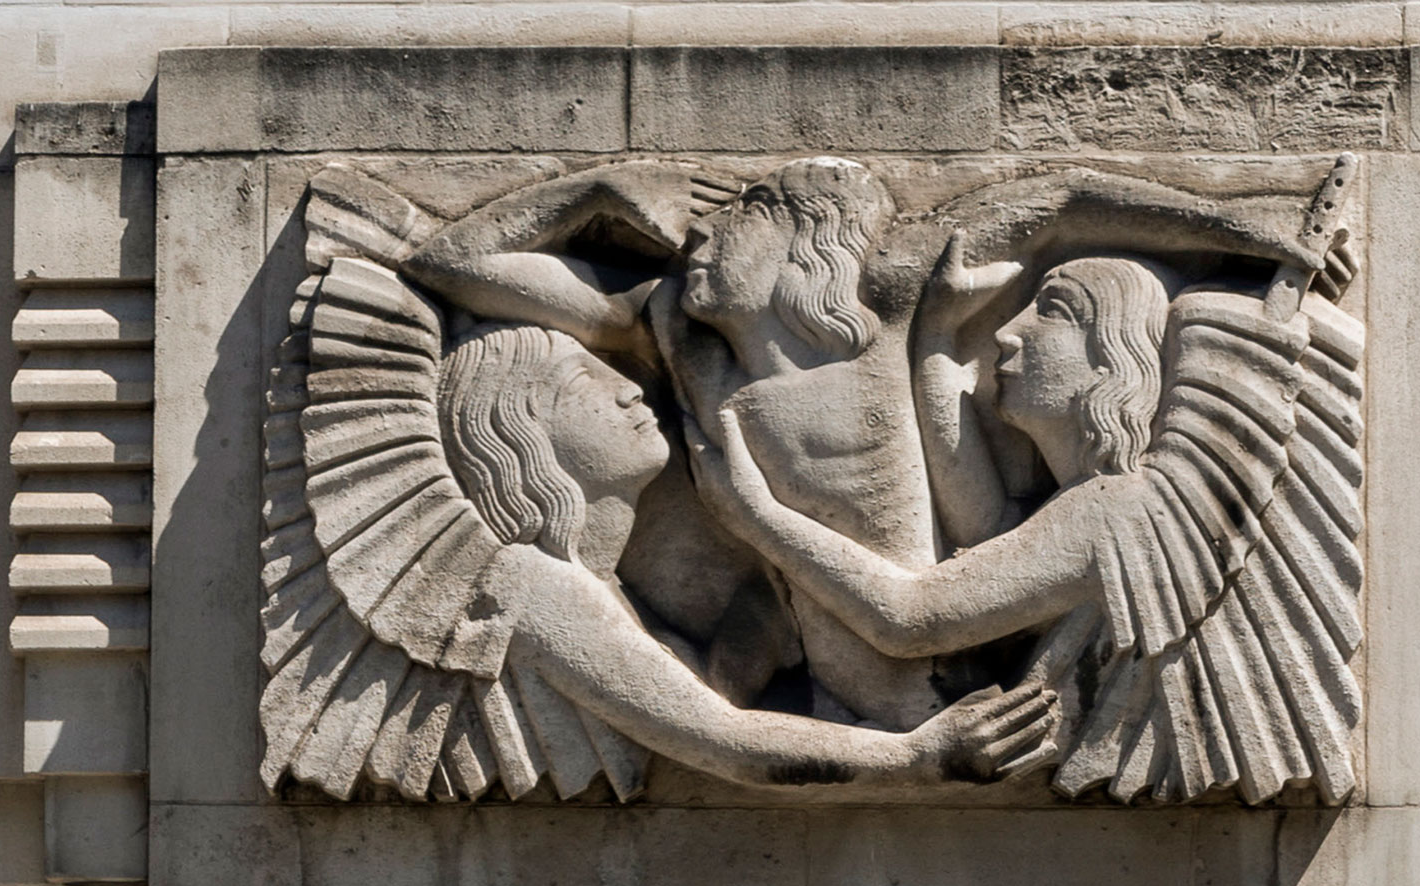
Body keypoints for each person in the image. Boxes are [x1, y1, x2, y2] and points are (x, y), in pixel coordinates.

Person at [263, 254, 1061, 799]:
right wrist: (917, 755)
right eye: (583, 377)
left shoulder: (597, 585)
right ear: (519, 432)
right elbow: (724, 738)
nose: (625, 386)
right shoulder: (530, 585)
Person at [686, 251, 1365, 805]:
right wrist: (933, 344)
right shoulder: (1095, 508)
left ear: (1113, 360)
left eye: (1055, 310)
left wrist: (759, 517)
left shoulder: (1113, 508)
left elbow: (910, 615)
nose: (1010, 330)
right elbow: (990, 530)